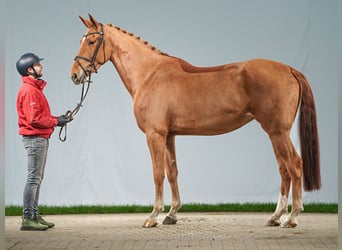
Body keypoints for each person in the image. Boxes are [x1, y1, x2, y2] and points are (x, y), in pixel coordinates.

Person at [16, 53, 71, 231]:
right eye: (38, 65)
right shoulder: (30, 91)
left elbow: (40, 117)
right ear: (29, 69)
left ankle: (33, 214)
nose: (41, 67)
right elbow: (34, 119)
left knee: (36, 179)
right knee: (33, 179)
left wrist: (58, 119)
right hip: (35, 139)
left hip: (39, 138)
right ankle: (27, 218)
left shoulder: (34, 89)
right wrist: (56, 122)